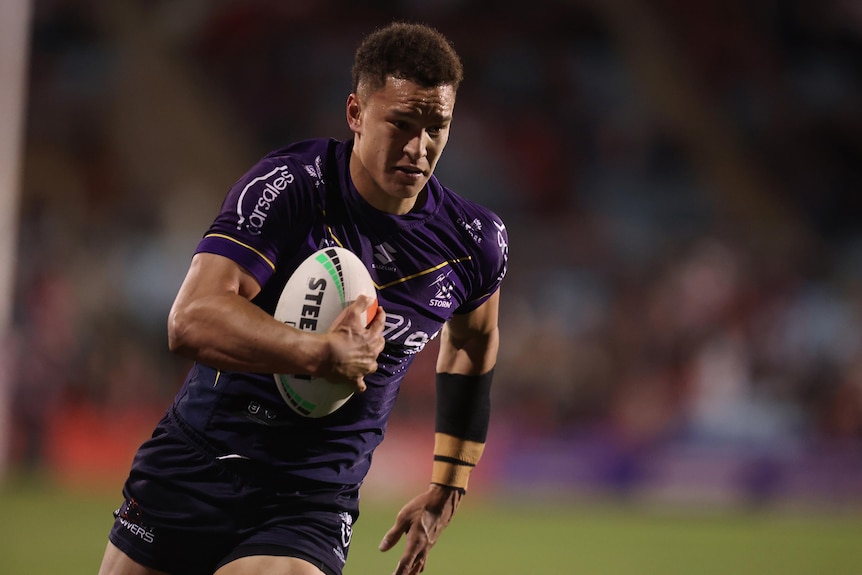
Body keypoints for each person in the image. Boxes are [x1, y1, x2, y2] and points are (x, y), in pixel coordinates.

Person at [97, 21, 508, 575]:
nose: (419, 147)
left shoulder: (472, 242)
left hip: (311, 500)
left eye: (437, 127)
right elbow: (190, 320)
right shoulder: (292, 187)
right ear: (356, 114)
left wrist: (450, 482)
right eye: (401, 124)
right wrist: (318, 353)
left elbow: (473, 343)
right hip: (195, 463)